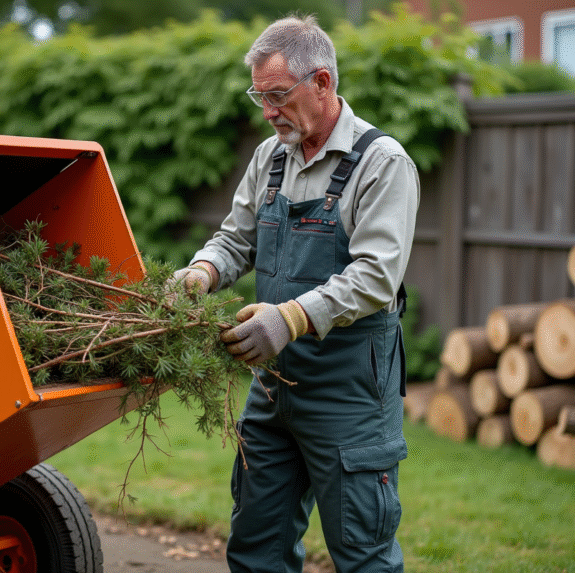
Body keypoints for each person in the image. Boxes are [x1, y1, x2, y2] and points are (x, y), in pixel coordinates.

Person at [171, 14, 419, 573]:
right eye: (260, 97)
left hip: (350, 392)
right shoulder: (270, 158)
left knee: (362, 553)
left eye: (278, 96)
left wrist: (287, 318)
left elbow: (377, 276)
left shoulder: (382, 164)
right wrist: (202, 272)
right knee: (256, 545)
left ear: (323, 83)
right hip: (275, 388)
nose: (268, 112)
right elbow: (235, 238)